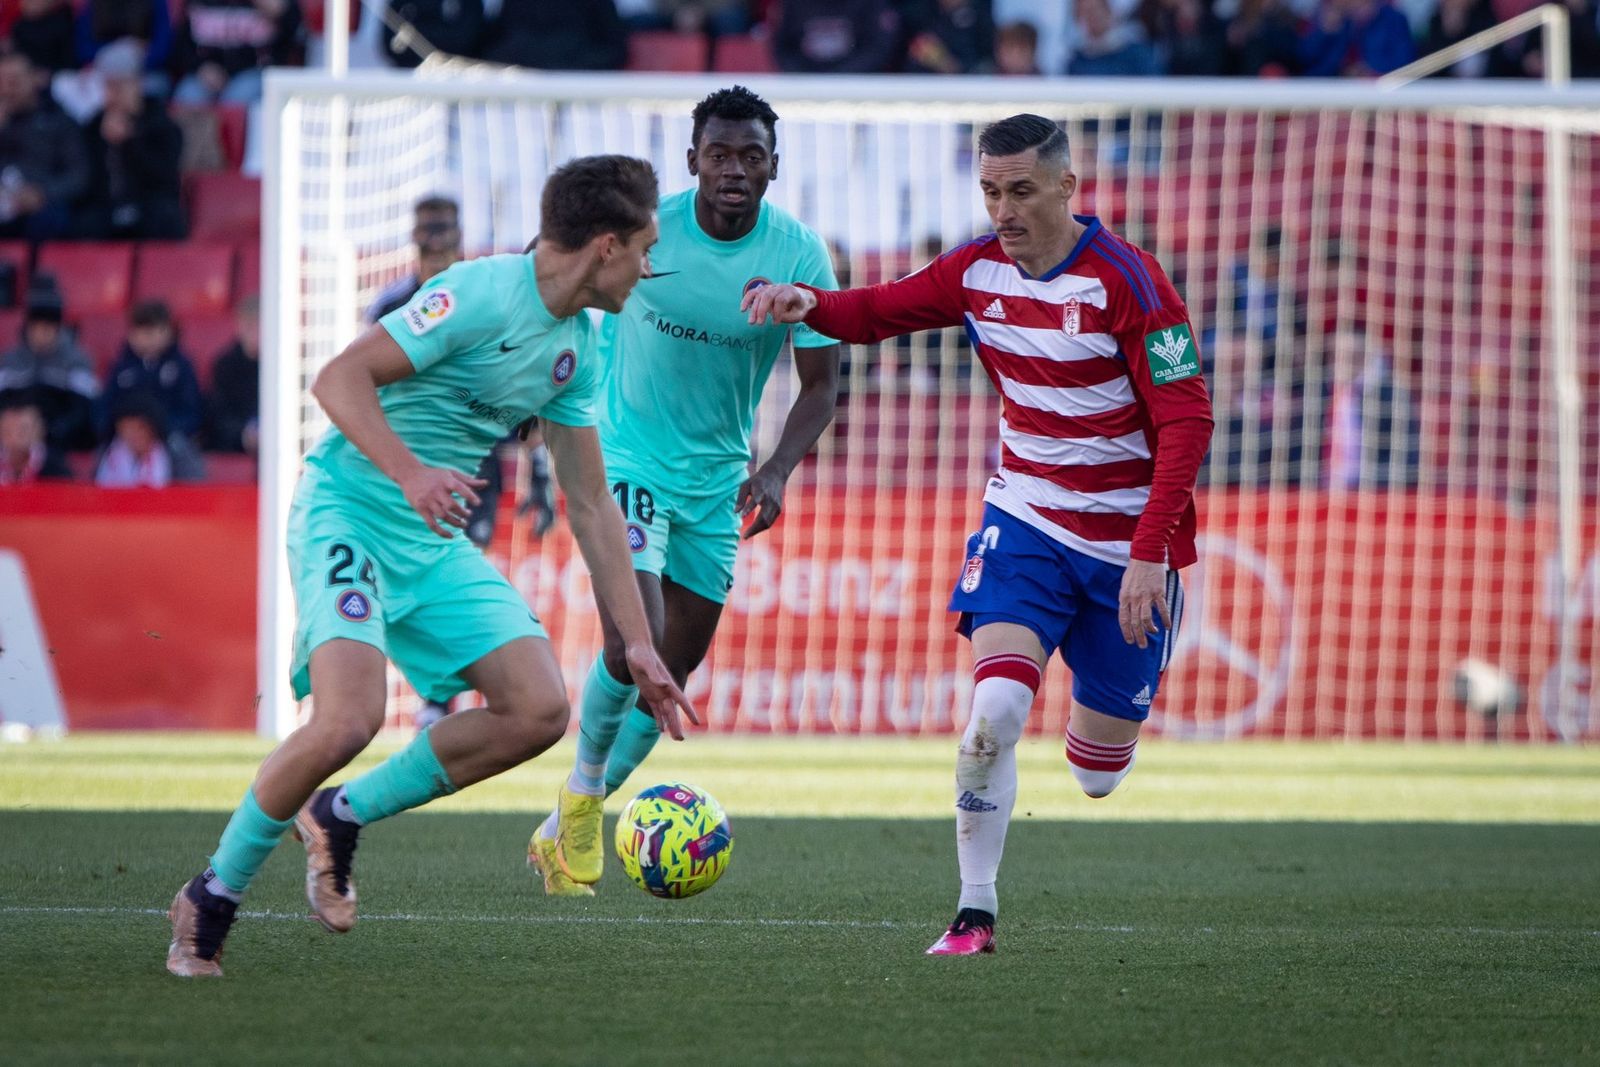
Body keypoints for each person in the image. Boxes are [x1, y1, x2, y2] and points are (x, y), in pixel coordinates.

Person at [164, 153, 697, 978]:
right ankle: (212, 894)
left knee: (538, 707)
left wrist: (639, 647)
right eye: (646, 246)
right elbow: (338, 378)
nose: (650, 266)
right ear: (605, 246)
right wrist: (410, 473)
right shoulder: (481, 293)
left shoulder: (581, 346)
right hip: (350, 508)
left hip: (428, 542)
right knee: (348, 720)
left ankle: (340, 815)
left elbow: (592, 508)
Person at [743, 114, 1213, 955]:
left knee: (1096, 777)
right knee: (992, 708)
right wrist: (807, 302)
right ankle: (974, 910)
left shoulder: (1131, 282)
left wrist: (1150, 554)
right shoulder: (976, 270)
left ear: (1068, 187)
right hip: (1026, 521)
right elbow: (877, 310)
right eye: (991, 190)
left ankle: (1105, 707)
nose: (1003, 208)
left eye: (1021, 190)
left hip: (1123, 548)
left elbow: (1188, 420)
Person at [526, 86, 840, 898]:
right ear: (692, 159)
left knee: (677, 662)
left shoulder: (801, 254)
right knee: (639, 638)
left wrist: (774, 469)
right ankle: (586, 800)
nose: (734, 169)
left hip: (716, 481)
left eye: (751, 156)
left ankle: (572, 810)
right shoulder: (647, 231)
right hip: (623, 459)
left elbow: (820, 388)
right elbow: (554, 277)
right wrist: (540, 383)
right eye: (719, 154)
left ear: (775, 166)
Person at [78, 38, 187, 240]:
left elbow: (164, 177)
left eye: (119, 86)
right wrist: (104, 143)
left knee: (163, 216)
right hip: (107, 208)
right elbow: (85, 179)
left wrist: (130, 142)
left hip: (150, 206)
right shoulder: (93, 125)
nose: (113, 95)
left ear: (137, 83)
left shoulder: (162, 124)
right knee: (85, 222)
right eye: (108, 87)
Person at [0, 278, 99, 452]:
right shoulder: (10, 360)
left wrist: (53, 431)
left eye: (46, 328)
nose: (40, 334)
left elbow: (83, 411)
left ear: (57, 329)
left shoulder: (76, 361)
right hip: (11, 443)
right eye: (35, 328)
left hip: (59, 443)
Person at [0, 50, 88, 241]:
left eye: (14, 81)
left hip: (42, 208)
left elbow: (78, 176)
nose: (7, 89)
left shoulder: (59, 122)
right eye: (2, 82)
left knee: (52, 218)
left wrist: (42, 193)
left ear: (35, 79)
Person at [98, 299, 204, 449]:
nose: (149, 339)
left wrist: (162, 431)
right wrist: (118, 431)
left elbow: (191, 412)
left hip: (167, 440)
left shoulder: (181, 366)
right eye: (143, 332)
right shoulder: (121, 367)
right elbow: (106, 407)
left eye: (156, 331)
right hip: (124, 441)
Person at [204, 295, 261, 456]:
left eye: (259, 326)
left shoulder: (285, 365)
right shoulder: (224, 365)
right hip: (235, 447)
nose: (254, 333)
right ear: (238, 327)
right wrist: (243, 435)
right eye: (249, 326)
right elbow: (217, 416)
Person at [0, 398, 71, 484]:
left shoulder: (56, 466)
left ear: (38, 431)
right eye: (8, 431)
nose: (14, 438)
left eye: (22, 431)